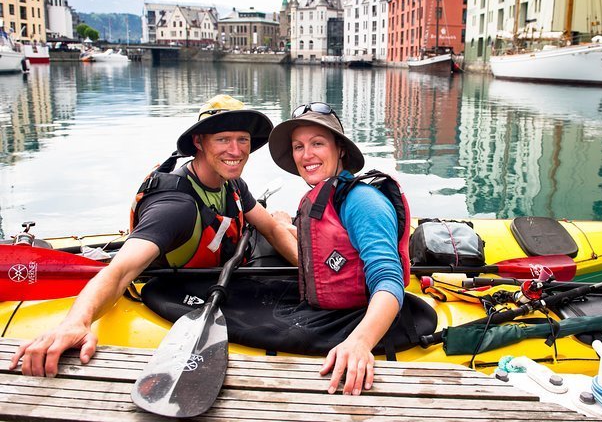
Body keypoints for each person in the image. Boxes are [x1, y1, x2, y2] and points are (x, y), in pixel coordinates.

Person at [10, 95, 298, 377]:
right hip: (180, 285)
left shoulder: (231, 182)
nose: (235, 151)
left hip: (225, 263)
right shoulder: (175, 207)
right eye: (223, 139)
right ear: (199, 142)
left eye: (242, 140)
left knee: (279, 222)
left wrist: (310, 272)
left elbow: (270, 229)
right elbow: (121, 271)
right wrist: (75, 322)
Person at [268, 102, 411, 396]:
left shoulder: (362, 201)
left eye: (317, 143)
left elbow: (388, 279)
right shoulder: (325, 195)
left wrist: (360, 341)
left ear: (340, 149)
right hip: (325, 310)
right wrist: (280, 224)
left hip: (356, 318)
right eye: (298, 146)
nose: (306, 155)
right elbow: (325, 253)